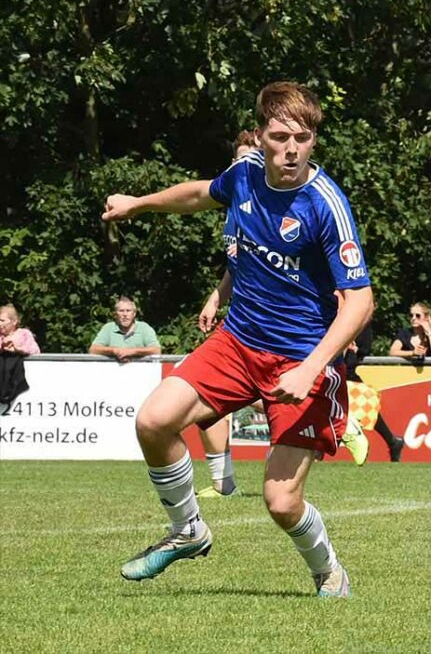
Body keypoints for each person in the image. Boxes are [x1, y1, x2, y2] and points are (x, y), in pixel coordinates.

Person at [103, 81, 374, 597]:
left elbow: (360, 301)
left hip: (300, 357)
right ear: (260, 136)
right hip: (238, 341)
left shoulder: (326, 204)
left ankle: (329, 574)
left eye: (303, 137)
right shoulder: (245, 175)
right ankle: (188, 530)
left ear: (314, 140)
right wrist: (139, 203)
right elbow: (201, 193)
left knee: (280, 501)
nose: (290, 149)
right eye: (279, 137)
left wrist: (311, 367)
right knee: (154, 421)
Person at [189, 130, 262, 499]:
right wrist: (216, 297)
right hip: (240, 322)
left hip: (271, 328)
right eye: (236, 160)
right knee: (205, 397)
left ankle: (335, 417)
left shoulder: (272, 205)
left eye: (248, 159)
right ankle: (223, 482)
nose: (240, 167)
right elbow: (238, 265)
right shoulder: (236, 206)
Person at [349, 324, 404, 462]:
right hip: (342, 372)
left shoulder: (362, 326)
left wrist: (353, 350)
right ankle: (393, 442)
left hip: (346, 374)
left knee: (365, 411)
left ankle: (392, 442)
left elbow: (362, 351)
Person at [88, 296, 161, 362]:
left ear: (134, 313)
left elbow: (156, 350)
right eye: (121, 311)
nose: (125, 314)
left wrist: (132, 352)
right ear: (116, 314)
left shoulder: (144, 328)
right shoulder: (108, 328)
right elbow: (93, 349)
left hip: (140, 371)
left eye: (128, 311)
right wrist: (114, 350)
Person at [0, 304, 39, 406]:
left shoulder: (24, 334)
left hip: (17, 375)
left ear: (14, 322)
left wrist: (18, 349)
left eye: (2, 321)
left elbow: (35, 350)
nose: (0, 324)